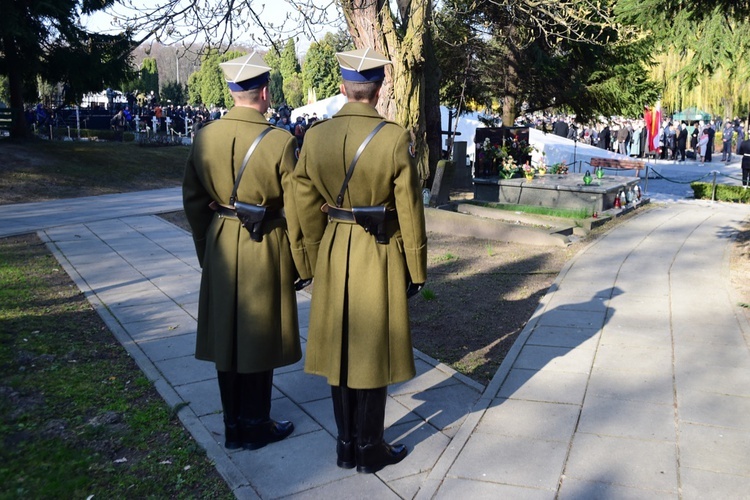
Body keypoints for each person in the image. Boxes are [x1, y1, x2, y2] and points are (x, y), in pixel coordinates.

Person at [293, 48, 427, 474]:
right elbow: (409, 207)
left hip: (334, 247)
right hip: (380, 250)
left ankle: (346, 445)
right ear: (379, 88)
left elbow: (302, 200)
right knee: (372, 349)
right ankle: (370, 447)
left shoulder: (315, 137)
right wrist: (416, 267)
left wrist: (314, 257)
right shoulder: (393, 137)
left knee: (339, 350)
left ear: (343, 88)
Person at [182, 52, 309, 451]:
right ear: (265, 93)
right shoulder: (280, 141)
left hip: (221, 240)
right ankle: (256, 423)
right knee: (259, 332)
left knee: (227, 335)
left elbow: (192, 200)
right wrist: (301, 262)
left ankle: (233, 424)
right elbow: (298, 208)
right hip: (264, 242)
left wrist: (208, 247)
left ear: (232, 91)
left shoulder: (205, 136)